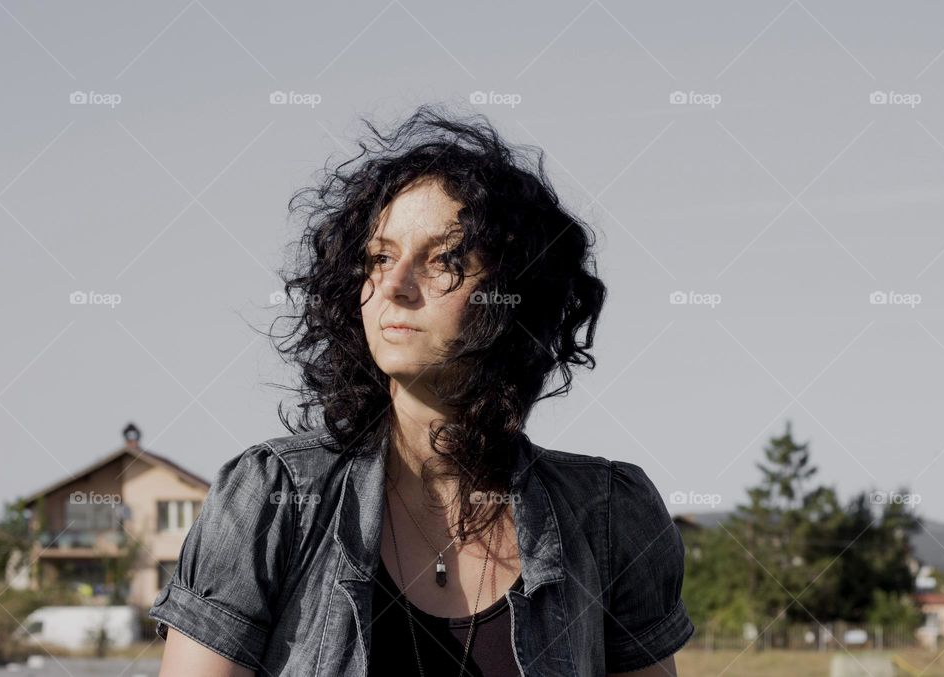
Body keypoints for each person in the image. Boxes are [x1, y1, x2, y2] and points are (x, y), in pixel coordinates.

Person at [150, 103, 694, 676]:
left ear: (517, 295)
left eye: (444, 260)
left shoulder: (608, 514)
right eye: (380, 258)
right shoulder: (275, 499)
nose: (395, 286)